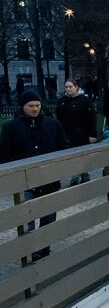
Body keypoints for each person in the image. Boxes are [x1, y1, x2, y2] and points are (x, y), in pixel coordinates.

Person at [0, 90, 68, 259]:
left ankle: (44, 249)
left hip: (49, 179)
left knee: (48, 218)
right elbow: (4, 154)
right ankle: (28, 250)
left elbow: (63, 148)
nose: (35, 109)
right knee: (26, 218)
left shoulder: (53, 125)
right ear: (23, 106)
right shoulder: (11, 127)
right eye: (31, 106)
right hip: (24, 181)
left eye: (37, 105)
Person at [56, 79, 98, 184]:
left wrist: (93, 134)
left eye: (70, 86)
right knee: (72, 157)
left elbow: (92, 118)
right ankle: (76, 176)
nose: (68, 89)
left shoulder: (85, 101)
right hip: (68, 134)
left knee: (82, 156)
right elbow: (58, 119)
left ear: (76, 87)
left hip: (82, 134)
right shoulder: (62, 101)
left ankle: (83, 175)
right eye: (66, 87)